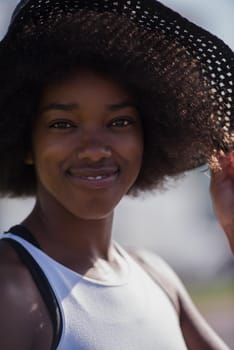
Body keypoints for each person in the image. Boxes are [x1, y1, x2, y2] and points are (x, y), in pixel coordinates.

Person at [0, 1, 233, 349]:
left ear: (148, 136)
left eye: (119, 122)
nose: (95, 149)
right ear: (25, 142)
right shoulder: (10, 291)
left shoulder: (156, 277)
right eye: (62, 124)